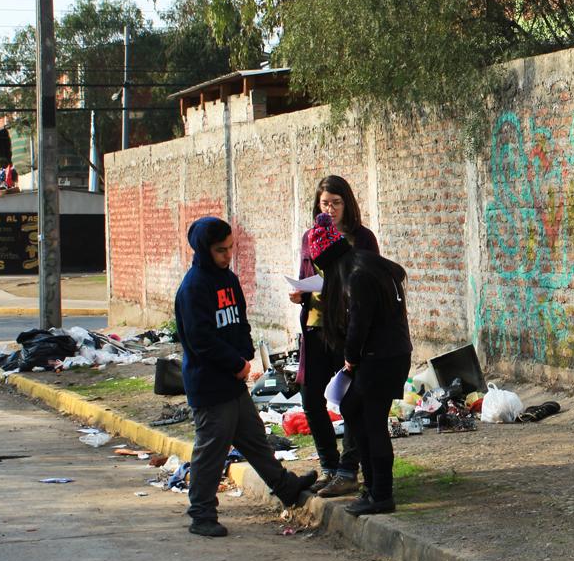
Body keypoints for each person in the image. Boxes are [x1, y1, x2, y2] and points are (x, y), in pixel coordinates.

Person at [176, 216, 316, 537]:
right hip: (210, 385)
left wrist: (247, 353)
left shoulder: (229, 279)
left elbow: (239, 321)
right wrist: (234, 363)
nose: (227, 255)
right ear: (203, 249)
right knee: (211, 451)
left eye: (230, 249)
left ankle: (286, 488)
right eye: (220, 250)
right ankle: (201, 514)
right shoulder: (194, 287)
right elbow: (200, 340)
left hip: (233, 382)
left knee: (255, 440)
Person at [310, 212, 412, 515]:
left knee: (372, 423)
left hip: (379, 359)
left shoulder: (356, 276)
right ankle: (372, 489)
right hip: (389, 355)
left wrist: (350, 360)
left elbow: (359, 324)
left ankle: (380, 493)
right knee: (354, 411)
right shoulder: (367, 264)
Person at [289, 175, 379, 498]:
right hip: (314, 326)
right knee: (311, 399)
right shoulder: (309, 237)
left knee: (351, 401)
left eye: (336, 203)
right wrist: (300, 293)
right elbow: (306, 276)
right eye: (325, 203)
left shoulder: (362, 238)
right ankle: (329, 465)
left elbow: (371, 281)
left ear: (348, 204)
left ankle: (347, 470)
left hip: (348, 329)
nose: (330, 209)